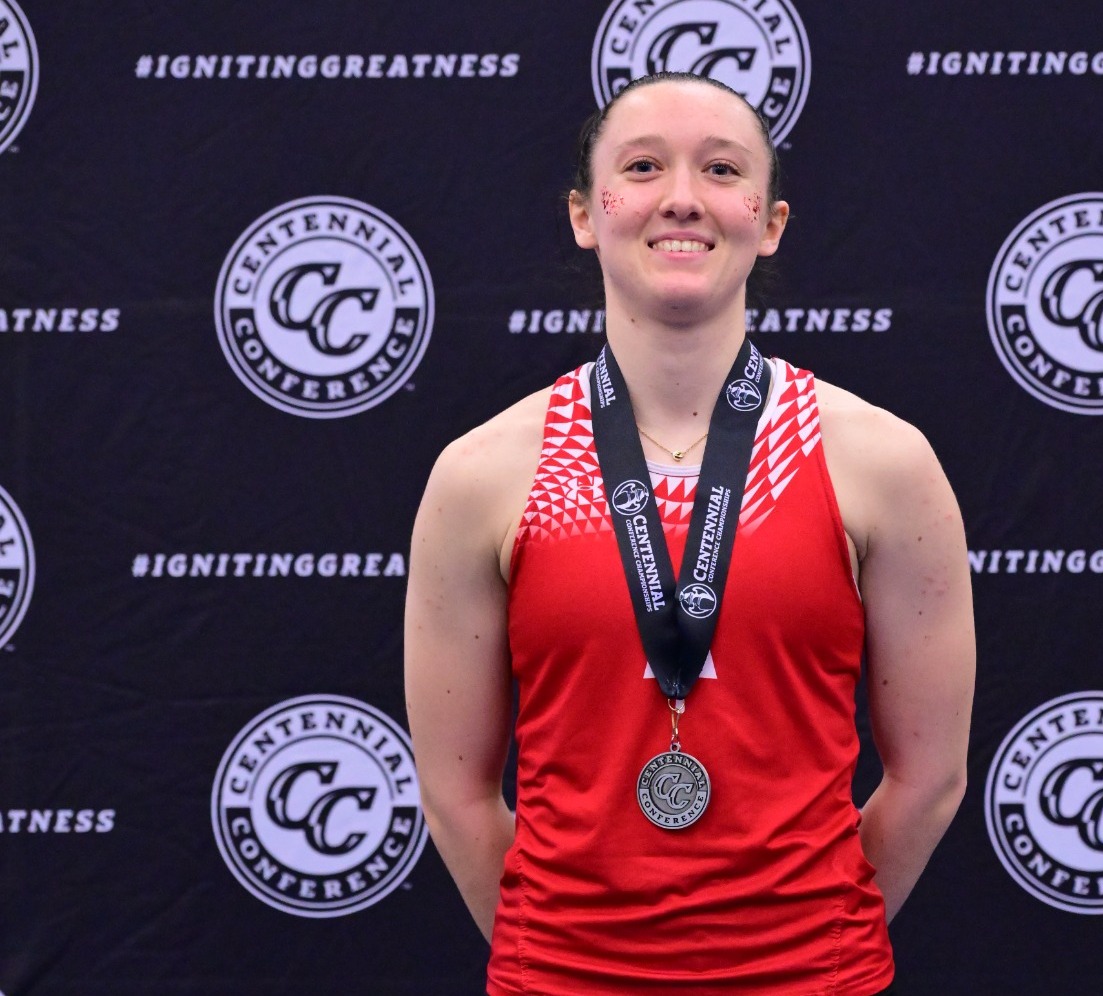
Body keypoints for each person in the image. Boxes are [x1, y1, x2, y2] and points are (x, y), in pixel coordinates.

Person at [404, 72, 975, 995]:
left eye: (720, 168)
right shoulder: (482, 475)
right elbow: (457, 794)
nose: (681, 197)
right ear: (586, 215)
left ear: (770, 220)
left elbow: (931, 779)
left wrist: (808, 941)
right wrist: (565, 953)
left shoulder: (880, 462)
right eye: (642, 166)